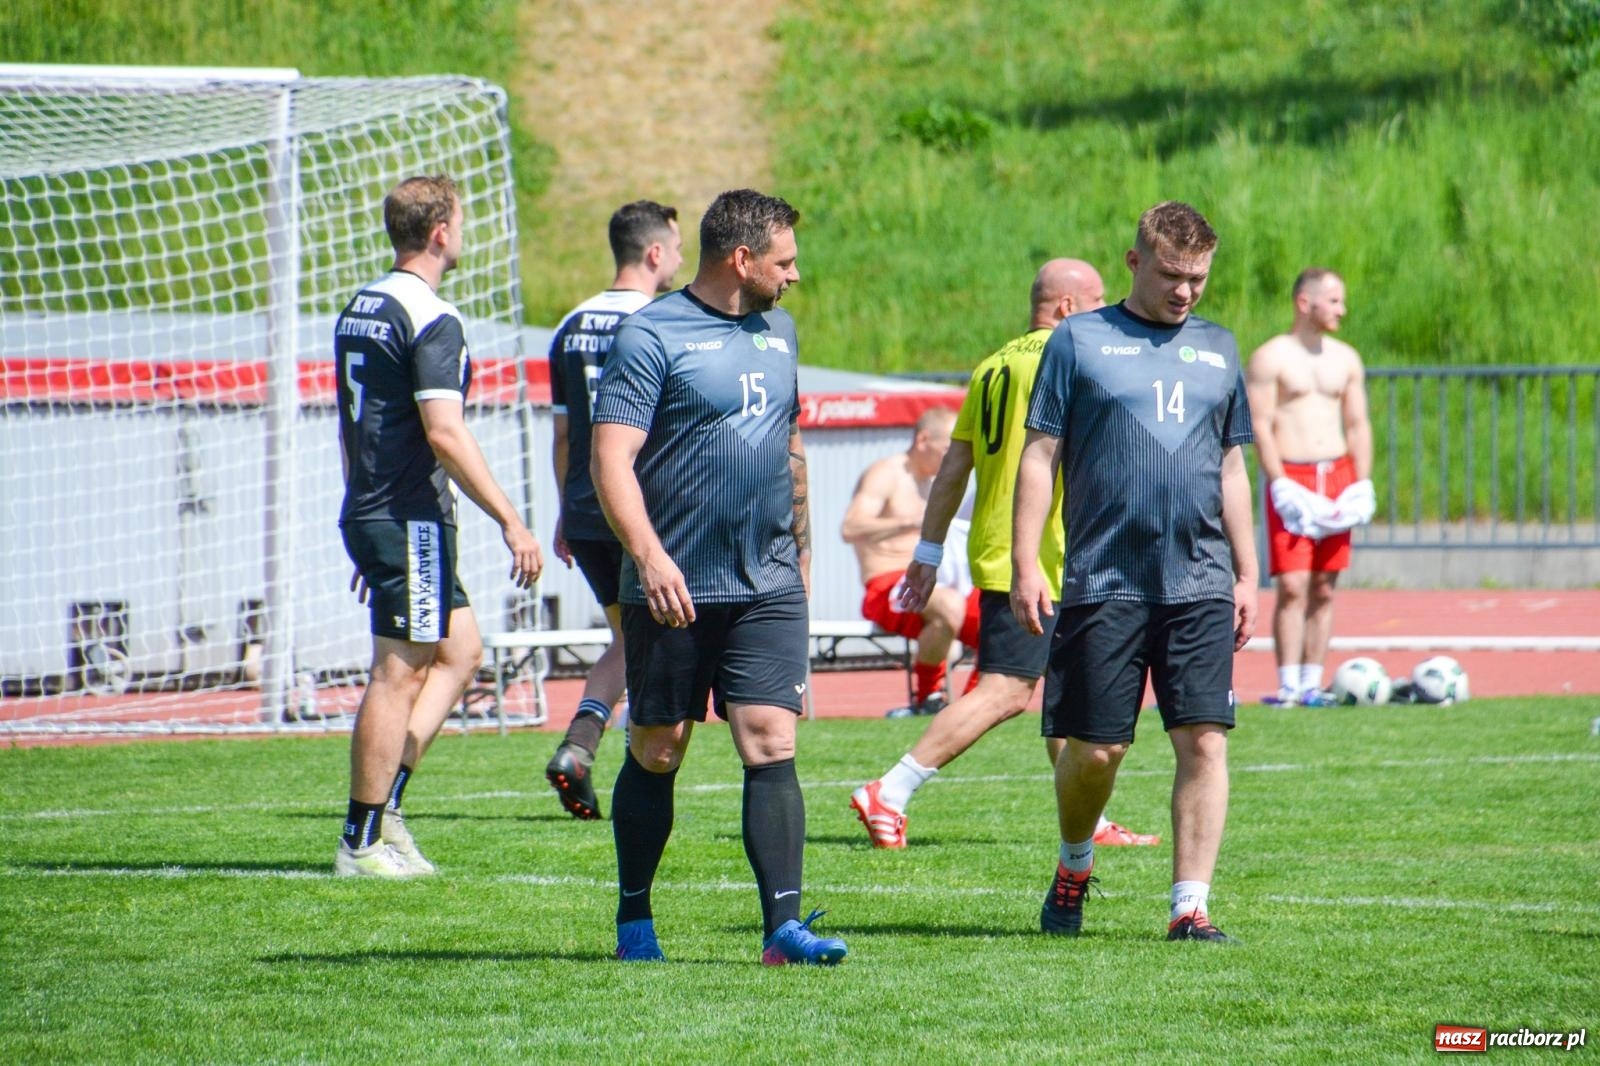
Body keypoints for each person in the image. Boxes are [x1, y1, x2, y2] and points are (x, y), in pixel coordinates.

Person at [591, 188, 847, 966]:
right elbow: (611, 460)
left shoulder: (781, 331)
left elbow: (787, 444)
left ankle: (783, 931)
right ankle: (634, 917)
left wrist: (801, 555)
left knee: (771, 739)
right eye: (784, 261)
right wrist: (650, 557)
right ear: (742, 260)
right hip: (674, 587)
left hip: (767, 580)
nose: (794, 275)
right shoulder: (650, 335)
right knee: (659, 747)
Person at [849, 259, 1158, 851]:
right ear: (1067, 307)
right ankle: (891, 788)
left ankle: (1088, 822)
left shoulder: (993, 364)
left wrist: (930, 549)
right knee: (1008, 688)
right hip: (1044, 550)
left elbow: (953, 468)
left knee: (1066, 691)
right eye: (1097, 303)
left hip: (1009, 545)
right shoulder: (1068, 356)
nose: (1107, 317)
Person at [1012, 202, 1258, 942]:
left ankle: (1190, 906)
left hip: (1201, 579)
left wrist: (1250, 574)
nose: (1186, 292)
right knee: (1097, 750)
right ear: (1134, 262)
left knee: (1205, 739)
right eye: (1173, 275)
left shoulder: (1220, 348)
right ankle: (1074, 864)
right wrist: (1027, 560)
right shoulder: (1079, 341)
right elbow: (1039, 456)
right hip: (1105, 577)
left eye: (1199, 278)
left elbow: (1233, 464)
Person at [333, 174, 544, 877]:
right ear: (441, 232)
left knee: (462, 653)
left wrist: (363, 517)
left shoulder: (362, 305)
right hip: (408, 516)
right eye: (463, 219)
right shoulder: (430, 315)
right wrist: (513, 520)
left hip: (377, 509)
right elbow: (445, 435)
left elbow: (354, 428)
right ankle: (360, 840)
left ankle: (387, 807)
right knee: (398, 674)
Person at [544, 200, 684, 819]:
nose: (680, 260)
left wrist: (563, 511)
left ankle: (584, 744)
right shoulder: (663, 319)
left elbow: (566, 437)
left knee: (629, 638)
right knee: (656, 639)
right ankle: (612, 753)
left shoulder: (569, 325)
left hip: (582, 506)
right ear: (655, 253)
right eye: (676, 248)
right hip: (641, 509)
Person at [1245, 268, 1374, 707]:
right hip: (1294, 476)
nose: (1342, 309)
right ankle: (1288, 684)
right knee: (1294, 584)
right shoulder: (1271, 357)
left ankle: (1313, 683)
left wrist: (1362, 482)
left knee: (1324, 585)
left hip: (1336, 473)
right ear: (1305, 302)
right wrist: (1278, 481)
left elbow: (1358, 424)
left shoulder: (1345, 358)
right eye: (1334, 301)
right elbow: (1260, 424)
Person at [841, 406, 982, 717]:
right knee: (948, 604)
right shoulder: (887, 473)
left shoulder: (935, 484)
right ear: (923, 440)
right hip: (886, 585)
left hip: (935, 582)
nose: (953, 456)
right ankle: (929, 698)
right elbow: (850, 528)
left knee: (1001, 615)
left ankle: (976, 705)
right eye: (948, 448)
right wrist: (910, 522)